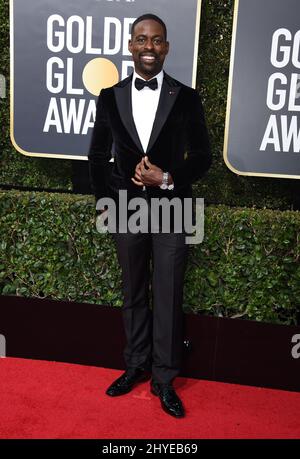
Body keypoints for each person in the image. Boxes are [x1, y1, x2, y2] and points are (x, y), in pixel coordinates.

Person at [88, 13, 211, 418]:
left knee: (169, 295)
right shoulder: (110, 96)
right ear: (130, 45)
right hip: (127, 209)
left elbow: (204, 157)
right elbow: (96, 155)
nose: (148, 47)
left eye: (156, 41)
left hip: (173, 208)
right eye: (141, 40)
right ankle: (135, 366)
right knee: (133, 291)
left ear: (167, 47)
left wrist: (167, 176)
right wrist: (116, 192)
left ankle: (164, 379)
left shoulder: (187, 97)